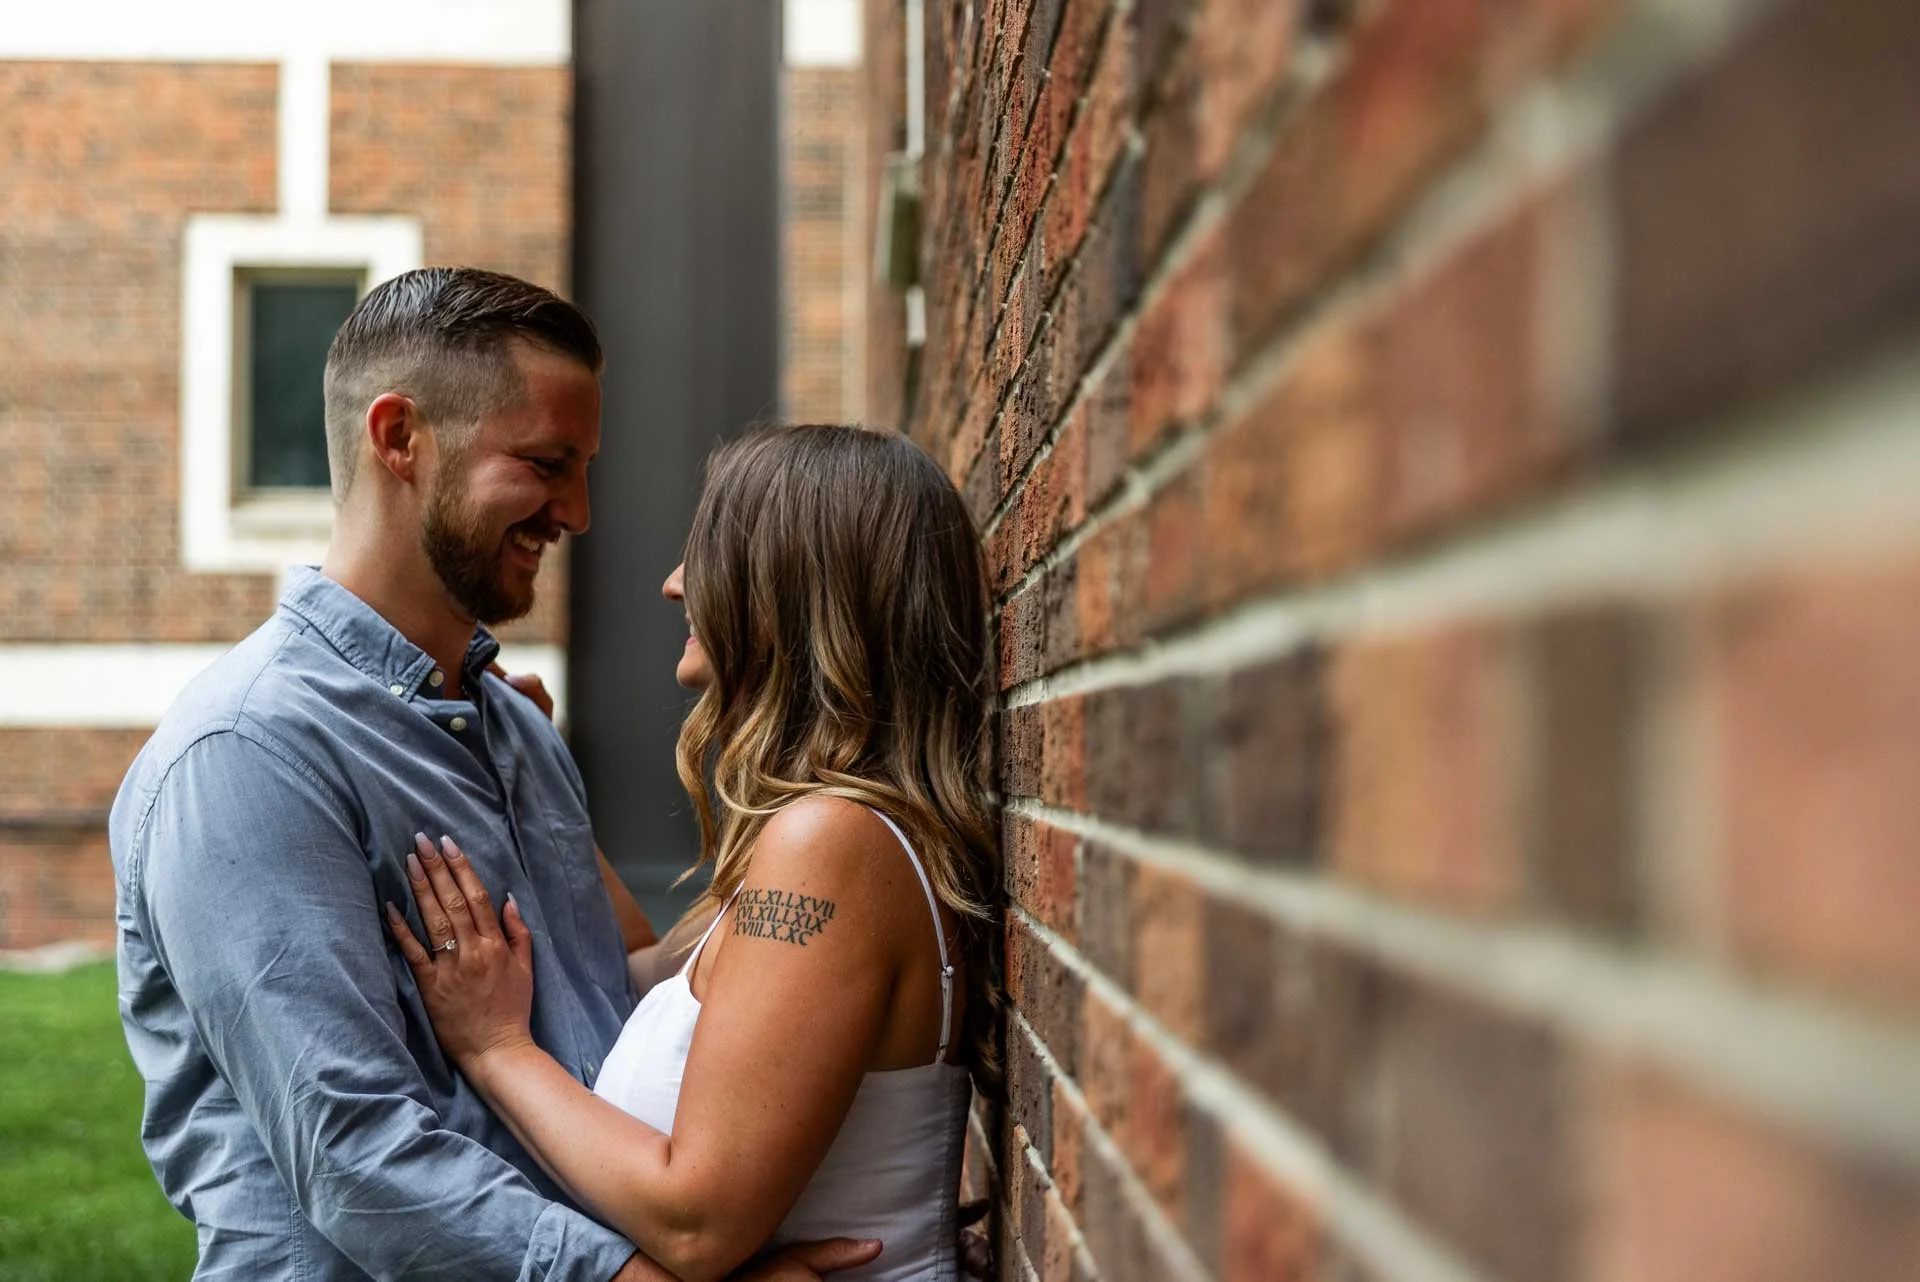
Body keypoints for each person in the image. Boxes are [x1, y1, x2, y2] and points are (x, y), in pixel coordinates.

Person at [109, 268, 876, 1281]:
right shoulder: (248, 753)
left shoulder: (515, 727)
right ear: (399, 440)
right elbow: (358, 1156)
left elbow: (605, 1002)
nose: (581, 512)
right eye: (548, 463)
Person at [386, 424, 1005, 1282]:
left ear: (790, 586)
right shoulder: (840, 836)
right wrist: (529, 775)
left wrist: (495, 1048)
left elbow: (698, 1222)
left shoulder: (832, 843)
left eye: (707, 553)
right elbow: (640, 971)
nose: (674, 584)